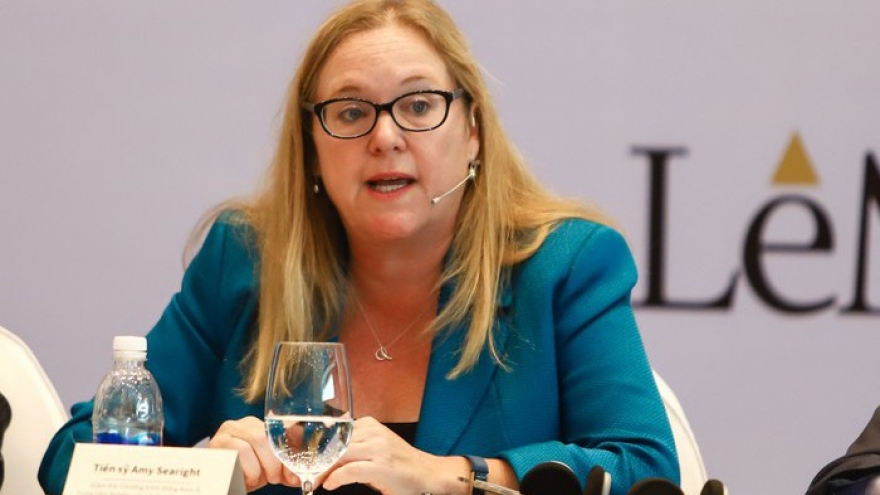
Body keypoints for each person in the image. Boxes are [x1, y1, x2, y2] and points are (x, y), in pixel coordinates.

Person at [38, 1, 678, 494]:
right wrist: (202, 475)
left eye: (419, 105)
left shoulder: (564, 266)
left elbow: (645, 470)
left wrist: (452, 476)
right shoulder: (245, 260)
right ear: (312, 149)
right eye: (350, 112)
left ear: (474, 131)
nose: (385, 137)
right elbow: (70, 459)